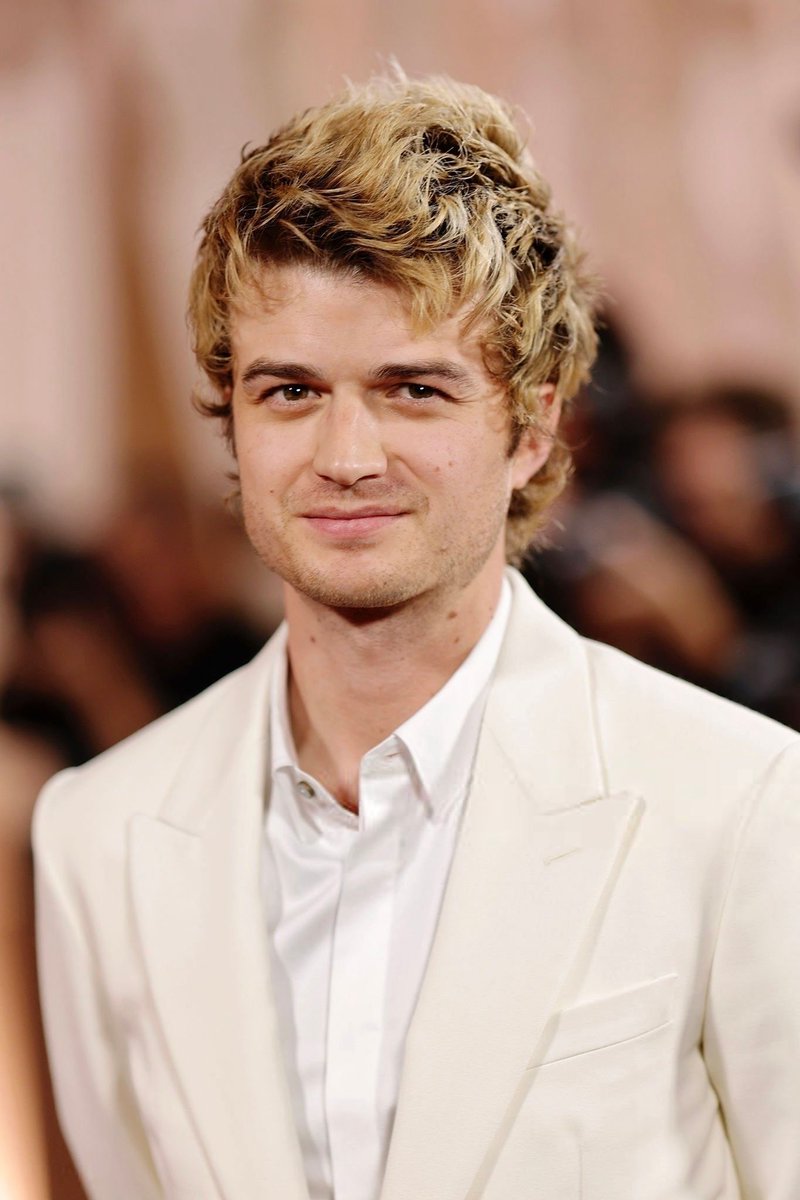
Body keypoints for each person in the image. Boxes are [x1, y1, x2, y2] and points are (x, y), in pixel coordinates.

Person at [34, 71, 800, 1200]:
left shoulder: (738, 802)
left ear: (532, 427)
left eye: (411, 391)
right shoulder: (98, 833)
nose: (345, 456)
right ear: (233, 418)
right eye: (290, 391)